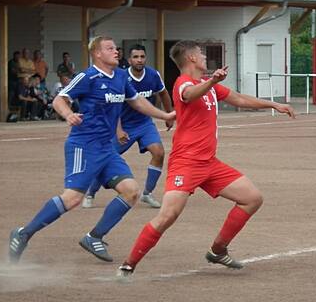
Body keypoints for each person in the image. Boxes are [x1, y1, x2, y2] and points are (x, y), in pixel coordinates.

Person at [116, 40, 295, 279]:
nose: (203, 57)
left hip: (209, 163)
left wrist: (274, 104)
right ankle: (128, 265)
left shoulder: (207, 85)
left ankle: (218, 250)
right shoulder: (184, 83)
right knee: (168, 216)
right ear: (191, 58)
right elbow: (188, 96)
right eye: (200, 54)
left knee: (252, 198)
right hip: (186, 163)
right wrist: (212, 81)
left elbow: (239, 99)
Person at [8, 36, 176, 264]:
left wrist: (165, 115)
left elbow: (136, 102)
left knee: (131, 191)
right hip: (83, 145)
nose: (116, 51)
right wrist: (68, 114)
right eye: (110, 48)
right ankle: (24, 233)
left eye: (116, 48)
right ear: (97, 53)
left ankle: (94, 236)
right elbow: (59, 99)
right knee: (73, 198)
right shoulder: (88, 77)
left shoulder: (120, 76)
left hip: (106, 148)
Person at [83, 44, 174, 209]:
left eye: (142, 56)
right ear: (130, 60)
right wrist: (118, 130)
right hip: (123, 124)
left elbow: (163, 93)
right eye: (136, 57)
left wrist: (169, 115)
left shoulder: (153, 75)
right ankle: (90, 193)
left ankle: (147, 194)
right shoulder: (121, 77)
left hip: (145, 123)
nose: (139, 60)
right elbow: (115, 105)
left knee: (159, 152)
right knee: (106, 159)